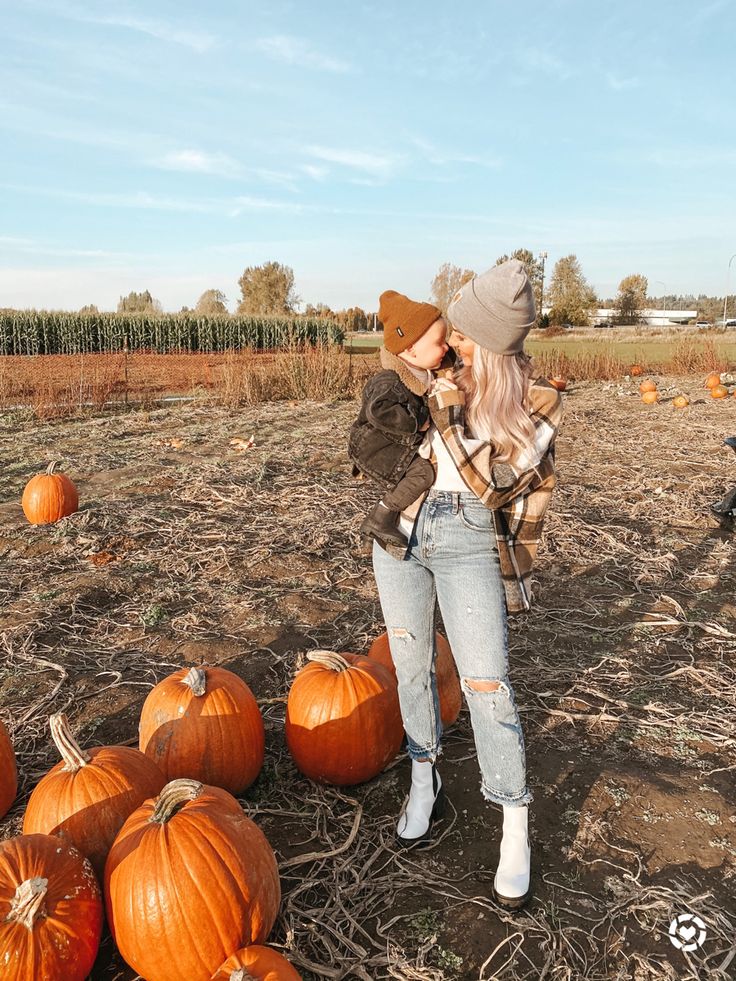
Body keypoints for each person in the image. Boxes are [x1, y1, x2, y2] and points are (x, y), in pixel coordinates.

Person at [371, 259, 564, 910]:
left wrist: (448, 406)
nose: (451, 340)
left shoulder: (536, 403)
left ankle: (514, 821)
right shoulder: (431, 375)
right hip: (401, 533)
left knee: (486, 682)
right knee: (411, 668)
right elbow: (381, 423)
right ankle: (424, 776)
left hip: (466, 538)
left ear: (492, 339)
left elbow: (499, 485)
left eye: (463, 331)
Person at [348, 289, 456, 547]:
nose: (447, 347)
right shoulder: (389, 382)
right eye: (440, 342)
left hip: (387, 445)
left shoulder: (421, 368)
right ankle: (380, 517)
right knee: (423, 474)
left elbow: (449, 360)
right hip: (375, 448)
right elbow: (379, 411)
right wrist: (417, 421)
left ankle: (380, 524)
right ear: (410, 349)